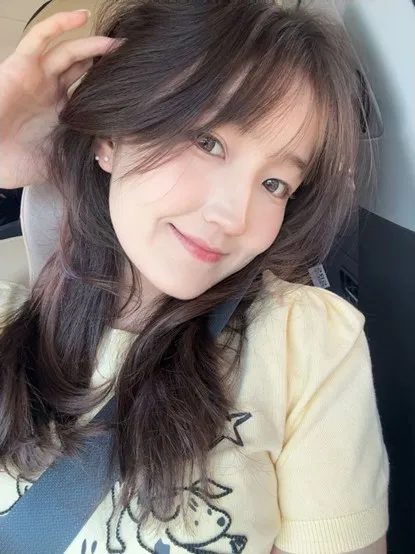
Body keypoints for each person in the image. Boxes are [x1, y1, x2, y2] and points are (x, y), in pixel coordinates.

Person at [0, 2, 389, 553]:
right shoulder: (9, 316)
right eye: (208, 142)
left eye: (275, 184)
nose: (235, 217)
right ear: (110, 136)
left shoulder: (306, 344)